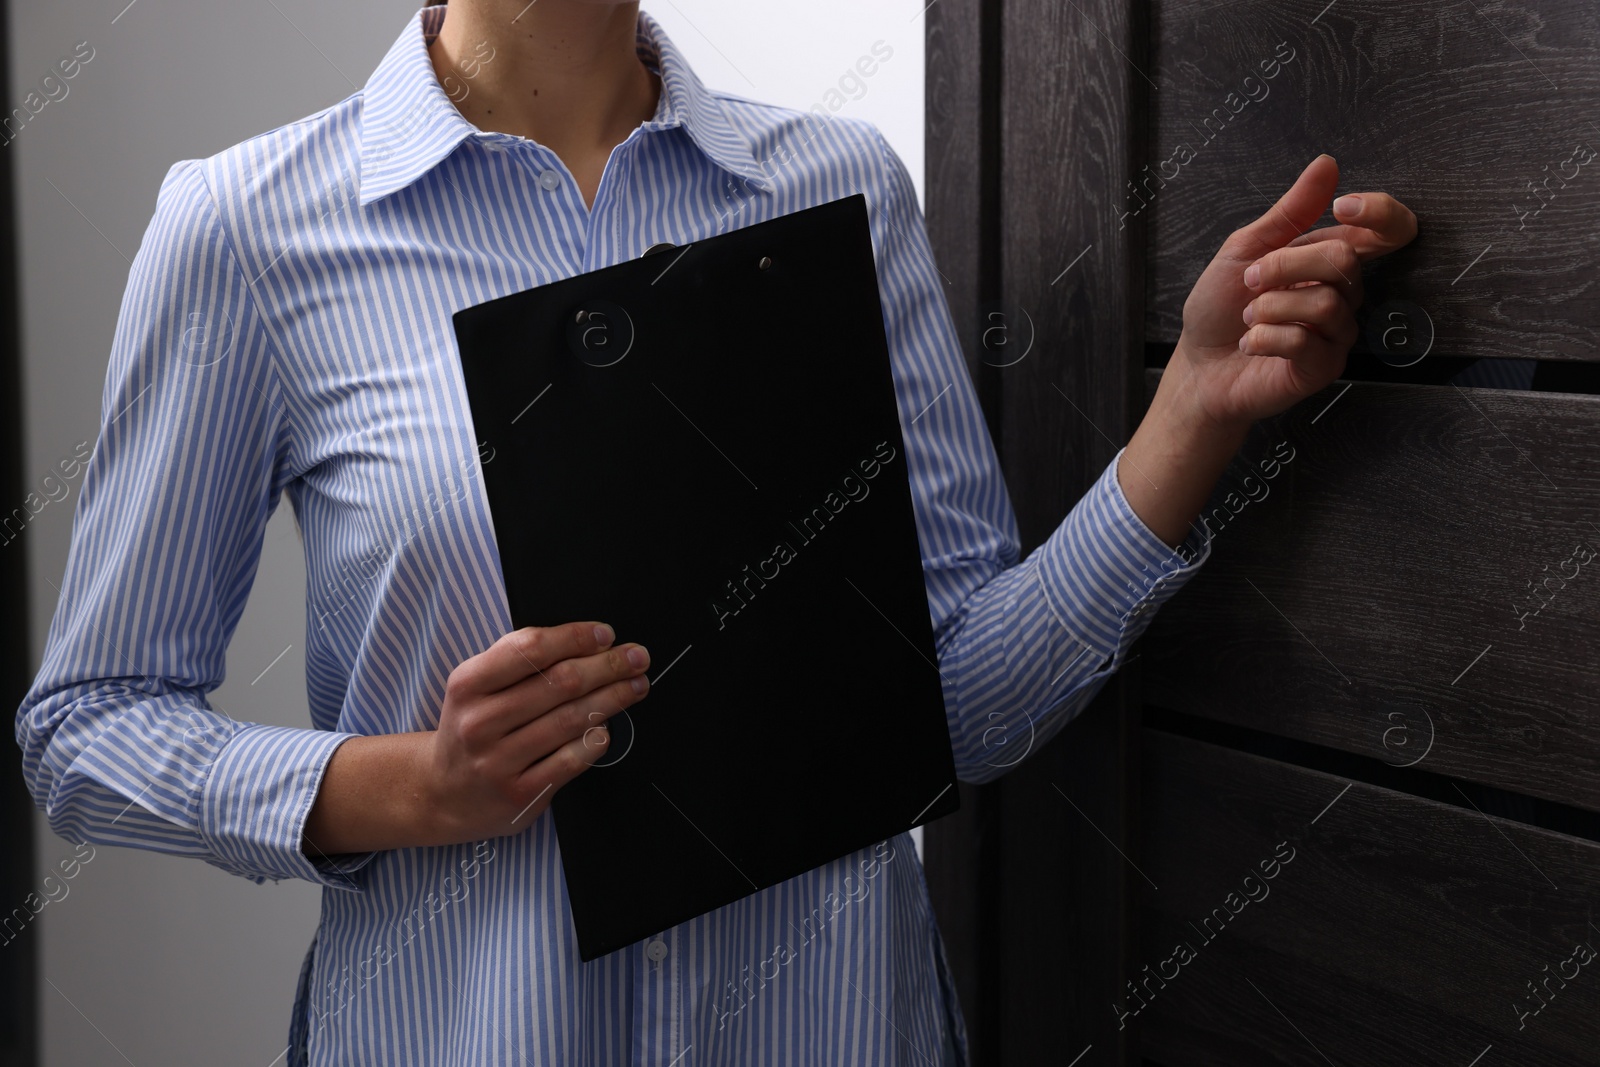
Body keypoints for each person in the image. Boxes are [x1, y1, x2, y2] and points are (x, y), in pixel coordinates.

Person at [14, 1, 1418, 1064]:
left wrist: (1191, 415)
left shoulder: (837, 189)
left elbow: (956, 711)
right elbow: (86, 730)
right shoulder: (244, 229)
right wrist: (413, 788)